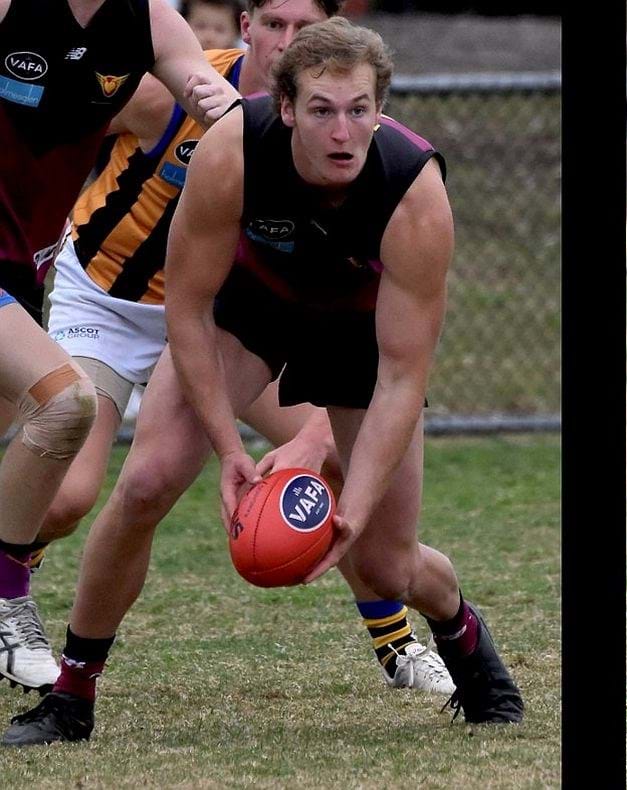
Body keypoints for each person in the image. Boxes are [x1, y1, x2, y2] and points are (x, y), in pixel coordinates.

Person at [2, 17, 522, 746]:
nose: (342, 131)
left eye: (359, 110)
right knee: (146, 482)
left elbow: (404, 373)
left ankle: (461, 630)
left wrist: (356, 506)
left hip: (358, 337)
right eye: (321, 110)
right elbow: (184, 306)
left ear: (381, 107)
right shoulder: (234, 148)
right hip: (249, 312)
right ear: (285, 108)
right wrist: (228, 450)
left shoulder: (413, 190)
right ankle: (71, 698)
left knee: (386, 562)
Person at [0, 0, 239, 677]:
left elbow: (199, 84)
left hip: (26, 265)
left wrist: (218, 98)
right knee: (64, 403)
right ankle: (7, 603)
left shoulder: (150, 22)